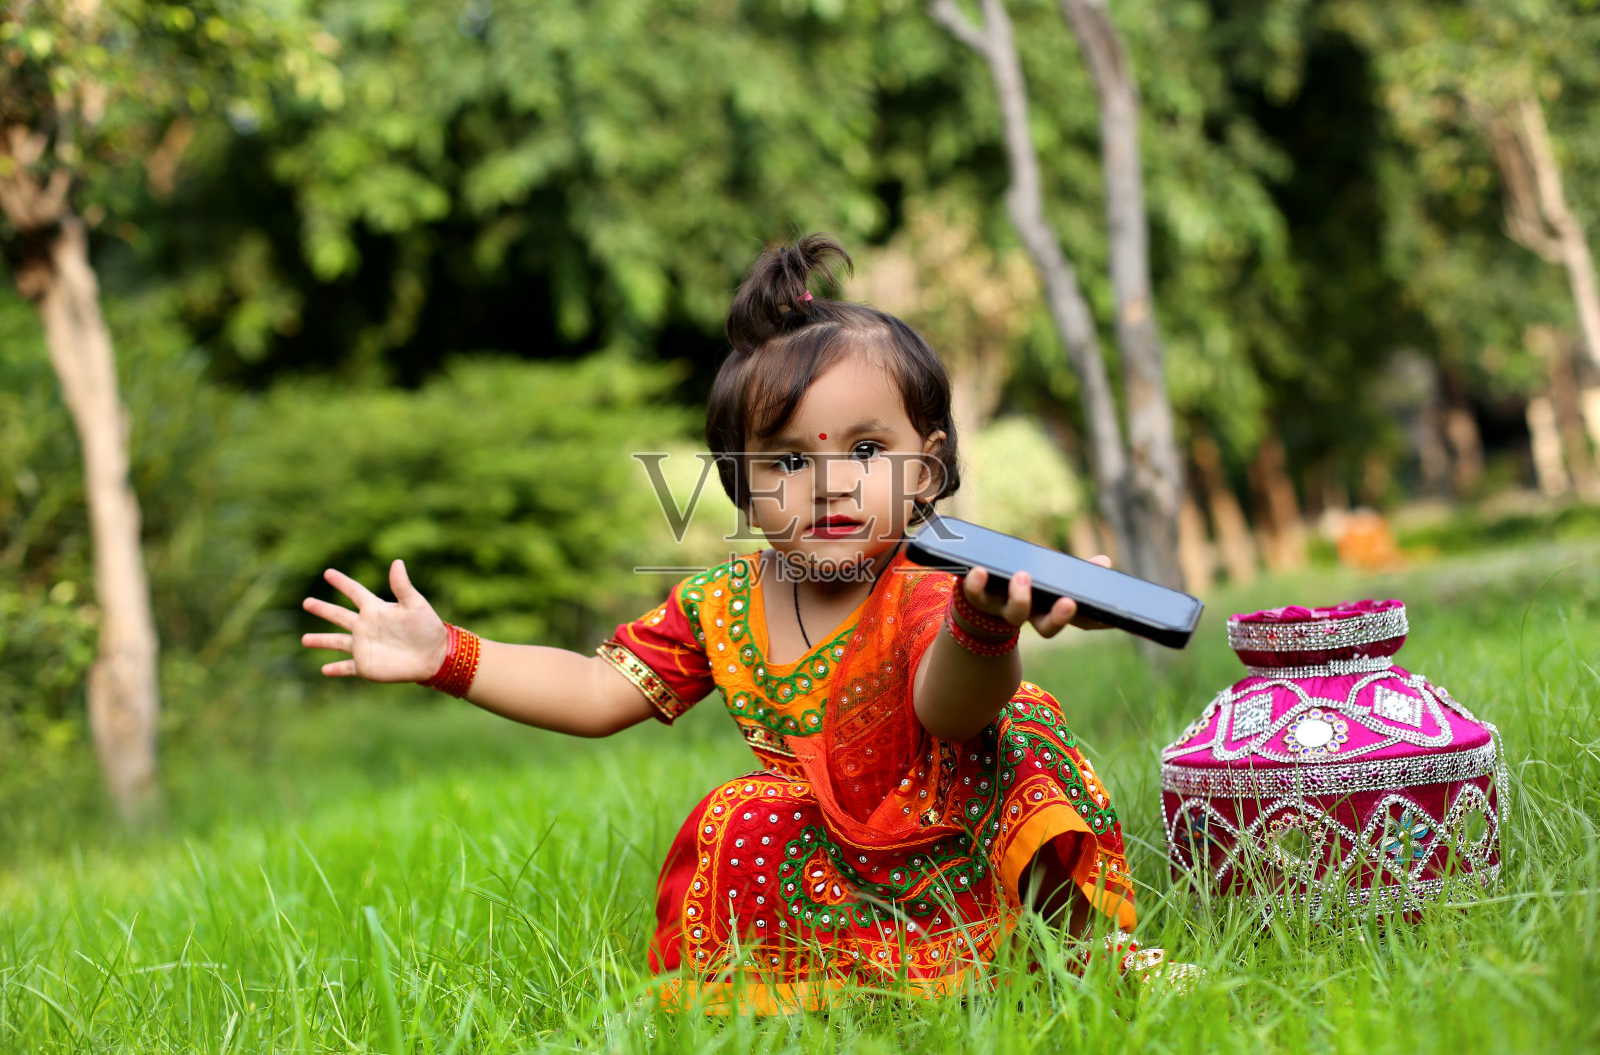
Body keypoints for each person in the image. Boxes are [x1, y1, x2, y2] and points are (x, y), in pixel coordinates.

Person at [302, 234, 1166, 1015]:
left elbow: (950, 710)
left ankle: (1085, 957)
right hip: (842, 859)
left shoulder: (926, 587)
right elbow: (599, 689)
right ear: (744, 487)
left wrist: (984, 626)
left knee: (1023, 747)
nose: (829, 483)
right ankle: (821, 986)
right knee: (740, 815)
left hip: (961, 835)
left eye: (865, 452)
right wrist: (447, 654)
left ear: (926, 469)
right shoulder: (720, 604)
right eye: (790, 459)